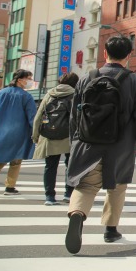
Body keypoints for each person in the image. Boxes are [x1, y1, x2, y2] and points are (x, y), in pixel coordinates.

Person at [65, 35, 136, 254]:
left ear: (105, 54)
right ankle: (111, 229)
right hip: (121, 144)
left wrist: (74, 141)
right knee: (117, 186)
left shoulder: (86, 78)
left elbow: (75, 115)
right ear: (129, 56)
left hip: (88, 141)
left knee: (86, 185)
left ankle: (77, 214)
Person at [0, 69, 36, 195]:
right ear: (20, 80)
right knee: (16, 160)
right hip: (19, 131)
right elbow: (32, 117)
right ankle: (10, 187)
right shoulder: (26, 96)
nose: (30, 81)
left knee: (1, 157)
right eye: (28, 78)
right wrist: (36, 132)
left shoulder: (0, 93)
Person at [33, 73, 79, 205]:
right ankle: (68, 194)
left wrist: (35, 136)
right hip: (69, 136)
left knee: (50, 166)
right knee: (70, 165)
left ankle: (49, 197)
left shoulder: (49, 94)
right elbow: (79, 117)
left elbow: (38, 116)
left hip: (49, 135)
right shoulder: (75, 95)